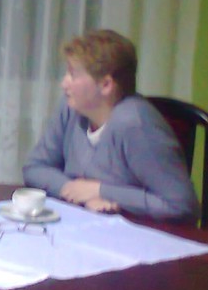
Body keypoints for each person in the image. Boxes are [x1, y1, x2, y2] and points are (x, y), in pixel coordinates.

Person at [22, 29, 198, 221]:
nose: (64, 83)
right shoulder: (71, 107)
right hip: (84, 221)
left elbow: (181, 205)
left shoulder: (135, 124)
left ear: (106, 85)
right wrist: (73, 190)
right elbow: (35, 167)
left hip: (135, 231)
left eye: (73, 74)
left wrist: (102, 191)